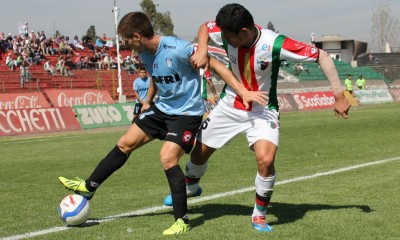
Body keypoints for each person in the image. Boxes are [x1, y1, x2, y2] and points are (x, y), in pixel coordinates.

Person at [58, 11, 266, 235]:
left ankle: (182, 220)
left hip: (187, 114)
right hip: (161, 109)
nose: (127, 46)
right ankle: (89, 188)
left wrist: (243, 91)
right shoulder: (145, 54)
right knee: (124, 143)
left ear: (137, 36)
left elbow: (215, 65)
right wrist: (146, 103)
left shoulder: (177, 48)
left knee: (167, 157)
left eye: (127, 41)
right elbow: (156, 78)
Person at [162, 3, 351, 233]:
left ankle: (259, 215)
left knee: (266, 159)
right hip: (230, 105)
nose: (224, 40)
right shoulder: (226, 32)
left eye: (228, 37)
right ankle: (192, 185)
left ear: (244, 32)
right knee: (198, 154)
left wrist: (339, 95)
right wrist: (203, 49)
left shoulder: (275, 43)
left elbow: (322, 56)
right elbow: (204, 26)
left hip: (262, 110)